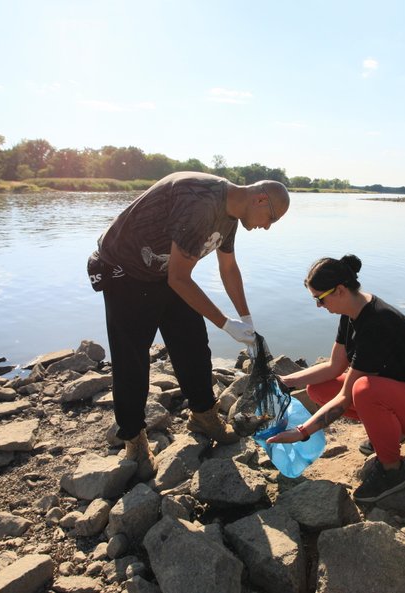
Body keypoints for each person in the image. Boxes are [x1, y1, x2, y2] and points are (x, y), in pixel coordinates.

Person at [88, 171, 290, 481]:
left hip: (165, 270)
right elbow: (179, 279)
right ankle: (134, 440)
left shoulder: (231, 213)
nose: (267, 226)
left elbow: (229, 268)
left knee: (193, 343)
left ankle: (203, 416)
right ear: (260, 198)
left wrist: (246, 321)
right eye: (271, 218)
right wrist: (225, 324)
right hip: (125, 269)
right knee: (131, 358)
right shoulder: (201, 204)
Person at [267, 254, 405, 502]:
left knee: (364, 389)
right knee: (319, 389)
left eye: (319, 299)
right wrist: (285, 382)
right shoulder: (351, 312)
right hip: (402, 399)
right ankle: (390, 432)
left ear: (340, 290)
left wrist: (302, 432)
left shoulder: (378, 322)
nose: (319, 307)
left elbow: (346, 397)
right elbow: (334, 367)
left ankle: (393, 471)